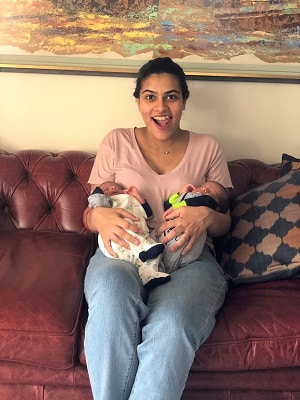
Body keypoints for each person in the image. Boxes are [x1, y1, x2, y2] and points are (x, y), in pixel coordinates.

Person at [83, 56, 233, 400]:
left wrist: (208, 217)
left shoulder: (209, 146)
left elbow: (225, 221)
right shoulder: (116, 141)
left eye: (171, 96)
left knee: (172, 325)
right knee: (109, 304)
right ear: (138, 101)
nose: (161, 107)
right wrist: (97, 218)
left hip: (188, 260)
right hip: (123, 252)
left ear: (184, 101)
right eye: (150, 96)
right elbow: (92, 207)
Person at [88, 181, 170, 289]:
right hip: (116, 238)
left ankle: (149, 276)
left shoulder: (130, 200)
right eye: (107, 189)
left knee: (153, 255)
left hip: (142, 237)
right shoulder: (107, 204)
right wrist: (99, 192)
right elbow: (96, 201)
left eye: (117, 187)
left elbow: (148, 214)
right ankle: (144, 250)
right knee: (128, 230)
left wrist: (137, 196)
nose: (113, 187)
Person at [161, 181, 229, 273]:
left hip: (191, 240)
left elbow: (201, 201)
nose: (204, 189)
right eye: (202, 186)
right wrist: (180, 194)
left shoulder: (205, 201)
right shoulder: (187, 196)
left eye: (211, 193)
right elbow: (167, 206)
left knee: (177, 251)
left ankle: (162, 270)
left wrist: (180, 205)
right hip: (164, 232)